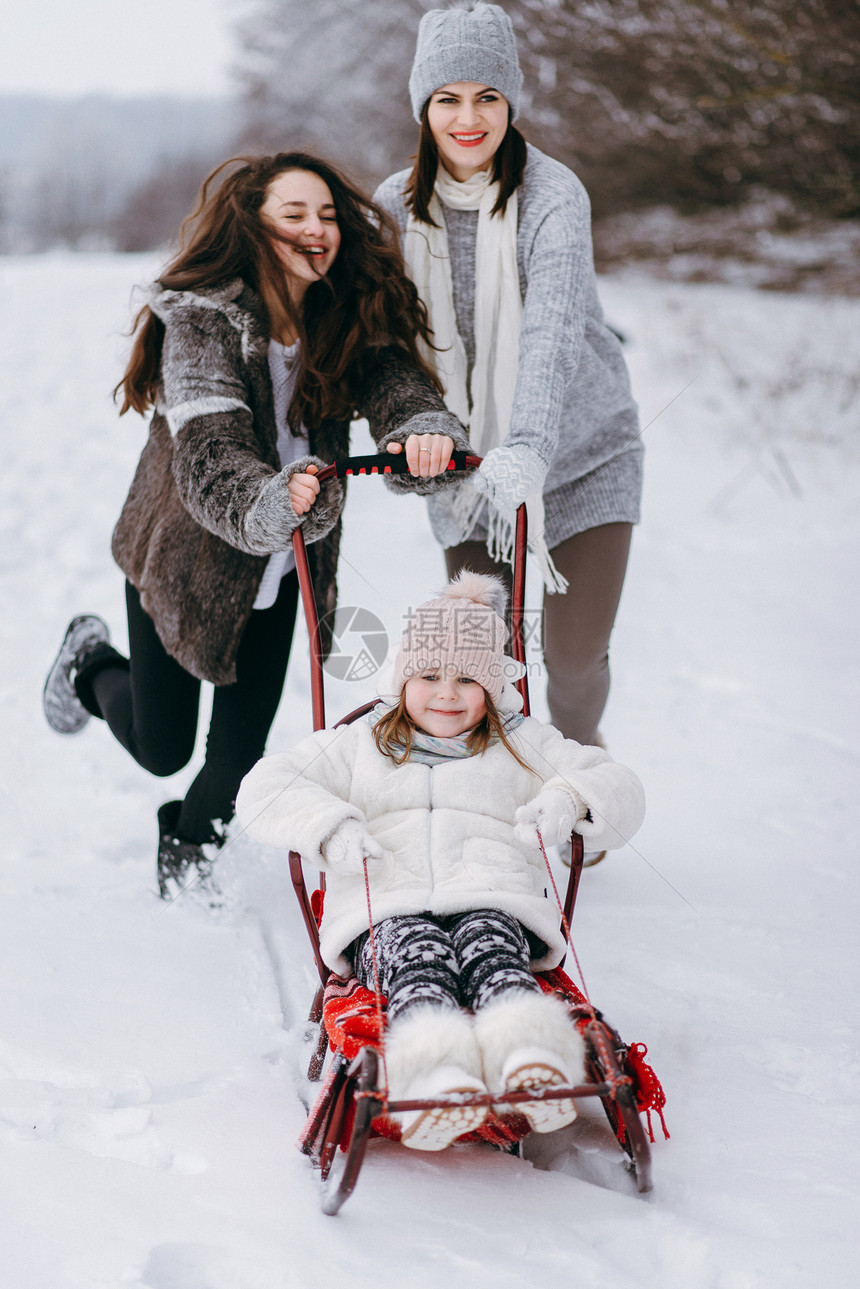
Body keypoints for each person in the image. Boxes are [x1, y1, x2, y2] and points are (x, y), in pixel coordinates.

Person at [43, 151, 470, 897]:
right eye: (294, 215)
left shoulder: (342, 310)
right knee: (162, 747)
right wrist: (267, 502)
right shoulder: (202, 321)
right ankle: (88, 665)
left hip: (282, 566)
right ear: (252, 227)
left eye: (328, 216)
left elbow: (395, 382)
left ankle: (186, 856)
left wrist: (421, 429)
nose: (317, 230)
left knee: (237, 756)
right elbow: (209, 453)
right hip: (182, 562)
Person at [236, 571, 645, 1150]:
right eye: (428, 676)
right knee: (417, 960)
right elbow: (265, 788)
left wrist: (566, 798)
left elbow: (617, 783)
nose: (446, 694)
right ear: (404, 679)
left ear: (493, 687)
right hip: (387, 908)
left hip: (493, 897)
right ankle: (435, 1075)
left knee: (493, 951)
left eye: (465, 679)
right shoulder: (361, 744)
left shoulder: (520, 743)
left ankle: (531, 1062)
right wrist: (331, 829)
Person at [373, 4, 643, 790]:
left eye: (487, 96)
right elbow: (382, 342)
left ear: (511, 103)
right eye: (448, 98)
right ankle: (490, 795)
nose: (468, 118)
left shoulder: (554, 195)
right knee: (475, 652)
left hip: (587, 452)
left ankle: (578, 767)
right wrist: (415, 436)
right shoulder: (392, 207)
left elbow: (551, 334)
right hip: (466, 468)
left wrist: (527, 445)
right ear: (423, 105)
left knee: (572, 655)